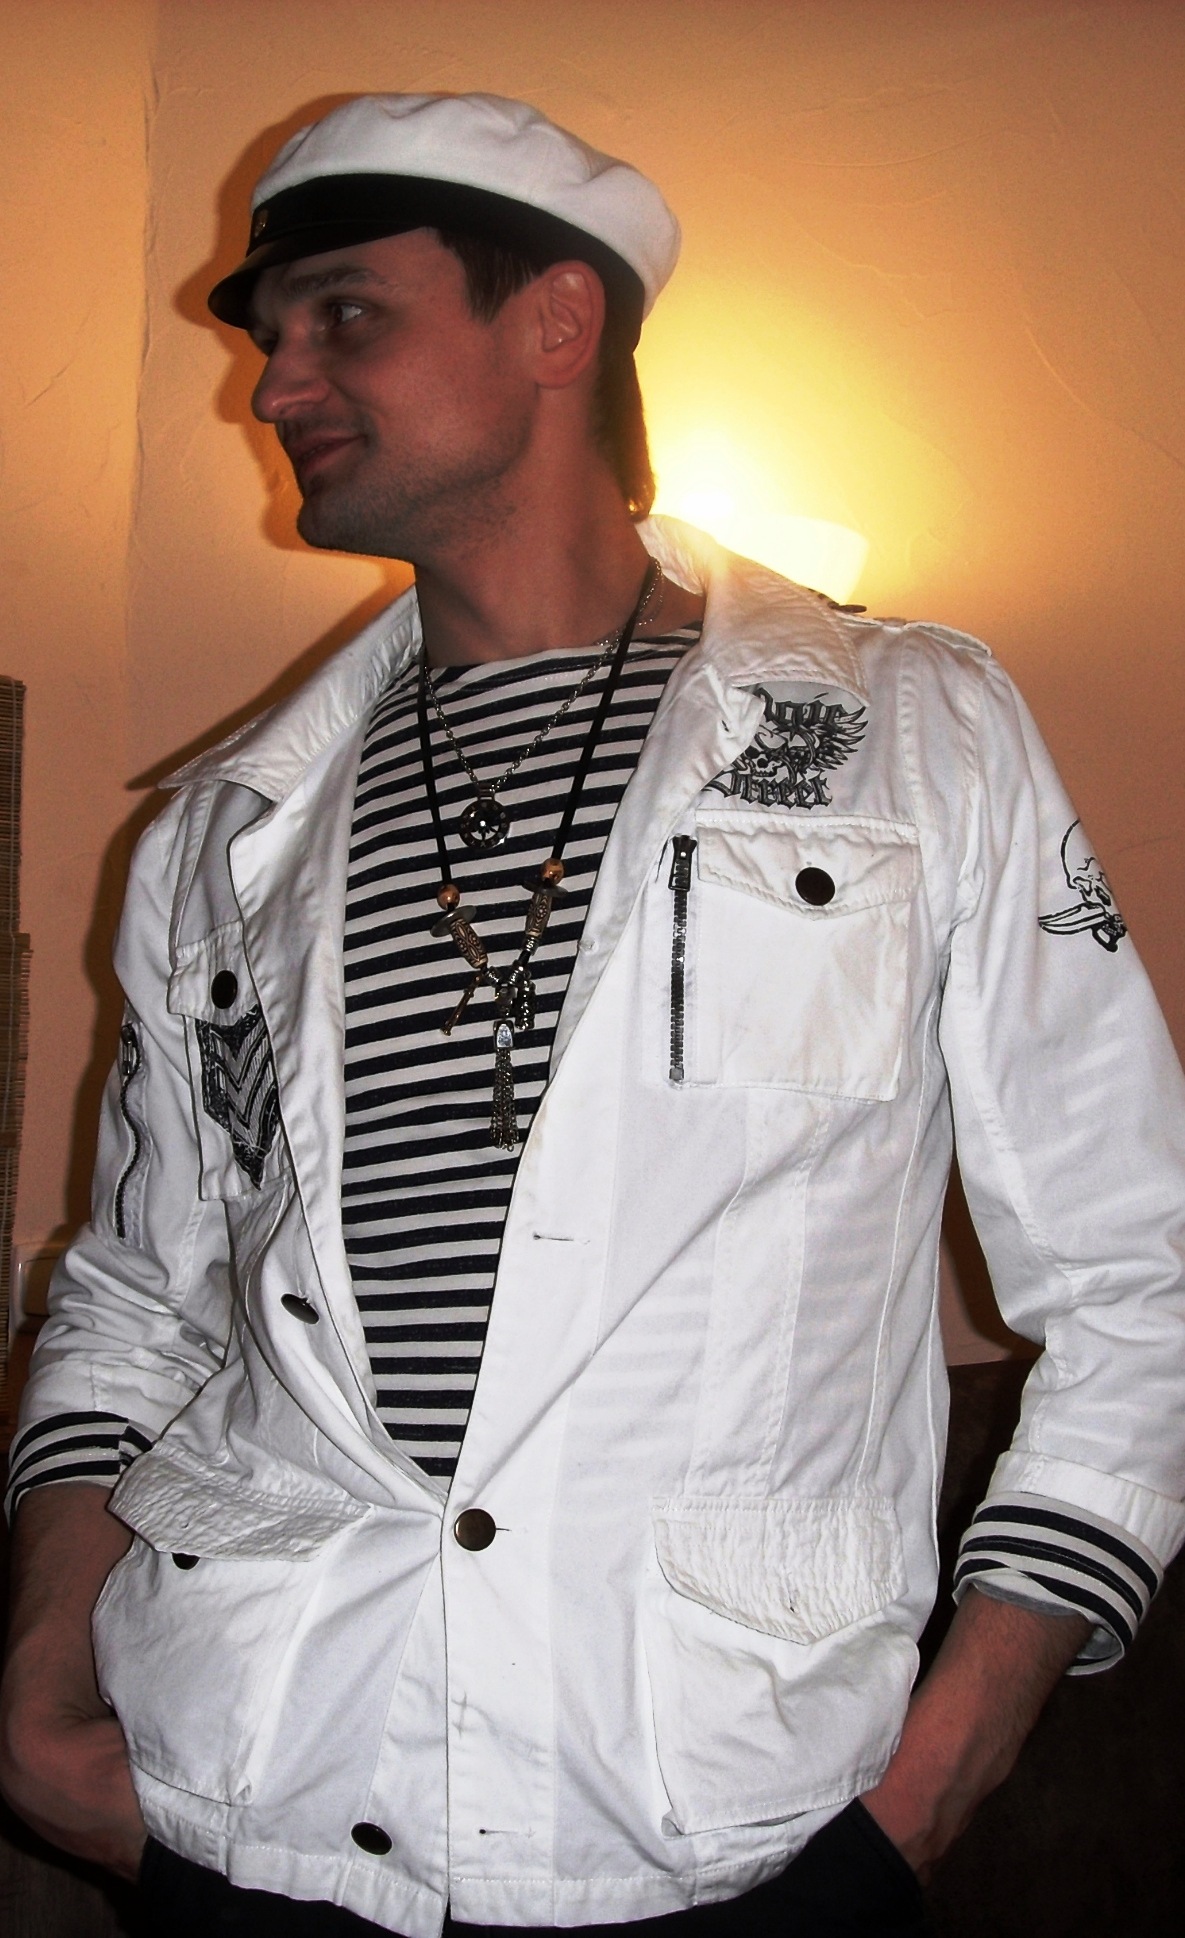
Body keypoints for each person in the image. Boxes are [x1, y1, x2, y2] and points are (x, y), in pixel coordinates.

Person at [2, 90, 1184, 1938]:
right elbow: (139, 1295)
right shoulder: (222, 831)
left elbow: (1138, 1276)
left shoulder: (914, 736)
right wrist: (41, 1681)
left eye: (342, 315)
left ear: (557, 320)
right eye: (270, 335)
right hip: (246, 1812)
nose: (273, 384)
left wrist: (934, 1782)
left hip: (729, 1838)